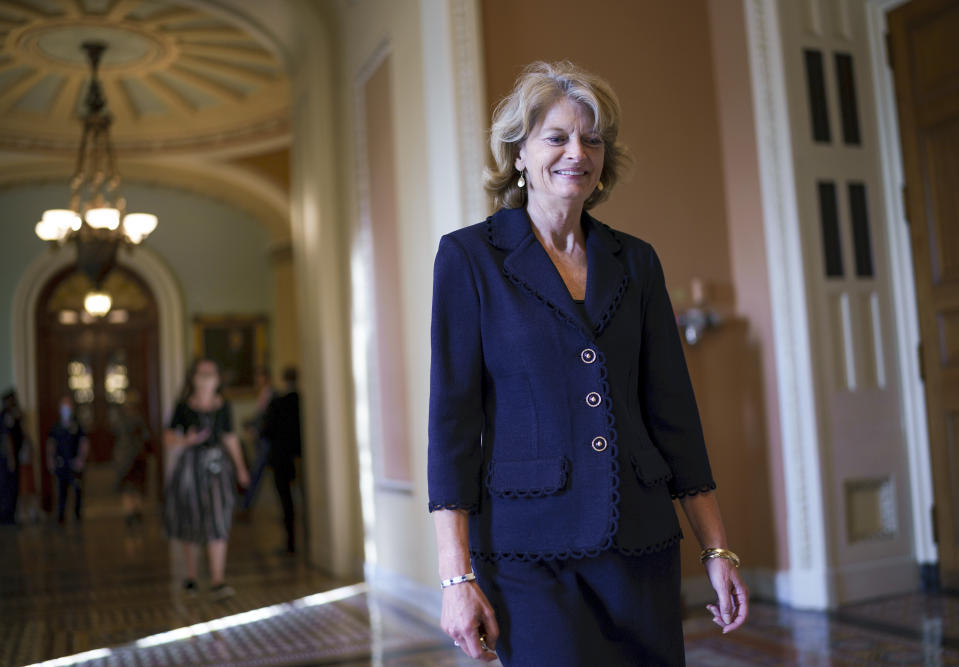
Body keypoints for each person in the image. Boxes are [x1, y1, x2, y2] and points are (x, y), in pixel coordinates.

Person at [428, 61, 749, 666]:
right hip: (529, 554)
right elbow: (452, 426)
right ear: (518, 154)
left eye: (592, 139)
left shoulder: (637, 261)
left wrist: (717, 550)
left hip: (641, 542)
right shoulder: (469, 257)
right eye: (557, 136)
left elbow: (672, 411)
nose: (577, 152)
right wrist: (455, 578)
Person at [163, 358, 250, 600]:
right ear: (193, 378)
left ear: (217, 379)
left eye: (210, 374)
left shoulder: (223, 407)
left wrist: (241, 468)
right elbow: (168, 437)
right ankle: (191, 577)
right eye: (201, 374)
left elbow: (230, 438)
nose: (206, 378)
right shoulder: (183, 406)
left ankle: (217, 579)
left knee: (218, 518)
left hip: (217, 468)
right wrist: (185, 441)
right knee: (190, 517)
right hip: (190, 468)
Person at [260, 366, 302, 554]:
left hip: (282, 458)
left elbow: (267, 431)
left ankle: (291, 542)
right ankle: (305, 539)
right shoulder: (303, 401)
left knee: (286, 501)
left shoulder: (278, 403)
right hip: (300, 457)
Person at [46, 395, 89, 524]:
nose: (66, 410)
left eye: (68, 407)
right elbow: (51, 444)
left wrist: (81, 459)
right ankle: (60, 515)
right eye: (64, 407)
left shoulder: (77, 426)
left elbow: (84, 442)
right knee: (61, 491)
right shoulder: (56, 427)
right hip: (61, 464)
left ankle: (77, 514)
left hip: (74, 464)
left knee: (77, 490)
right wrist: (50, 460)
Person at [238, 367, 275, 518]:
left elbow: (267, 418)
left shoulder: (271, 393)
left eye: (260, 376)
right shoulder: (263, 393)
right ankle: (246, 506)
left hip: (266, 441)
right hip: (261, 440)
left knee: (256, 474)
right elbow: (260, 415)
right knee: (257, 474)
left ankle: (246, 507)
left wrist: (256, 428)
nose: (258, 380)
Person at [112, 389, 150, 527]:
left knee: (131, 487)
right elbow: (145, 436)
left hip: (131, 457)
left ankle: (132, 513)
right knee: (132, 487)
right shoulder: (134, 417)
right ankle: (133, 513)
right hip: (132, 456)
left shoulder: (124, 417)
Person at [0, 389, 24, 525]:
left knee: (13, 487)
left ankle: (11, 514)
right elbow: (6, 439)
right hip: (7, 460)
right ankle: (6, 515)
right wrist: (11, 459)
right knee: (7, 488)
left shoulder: (14, 414)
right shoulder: (5, 416)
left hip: (14, 457)